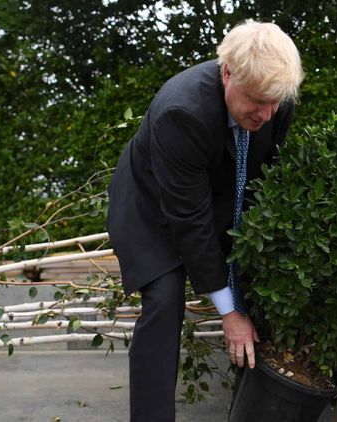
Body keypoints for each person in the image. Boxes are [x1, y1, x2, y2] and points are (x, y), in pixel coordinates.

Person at [106, 20, 303, 421]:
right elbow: (190, 223)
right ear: (228, 73)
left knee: (257, 281)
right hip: (151, 206)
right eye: (257, 100)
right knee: (165, 298)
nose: (266, 114)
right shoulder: (181, 112)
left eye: (275, 102)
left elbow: (264, 173)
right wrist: (229, 315)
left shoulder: (276, 102)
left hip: (215, 192)